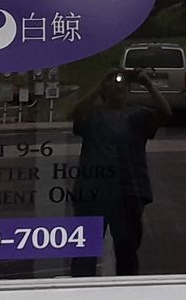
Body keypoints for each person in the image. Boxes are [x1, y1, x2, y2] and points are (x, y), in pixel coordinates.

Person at [68, 68, 169, 277]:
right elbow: (74, 114)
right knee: (84, 254)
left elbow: (165, 113)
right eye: (113, 84)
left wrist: (147, 83)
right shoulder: (93, 115)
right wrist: (99, 86)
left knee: (127, 252)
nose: (119, 86)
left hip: (128, 192)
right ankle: (80, 297)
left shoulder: (138, 115)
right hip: (93, 192)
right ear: (104, 91)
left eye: (123, 84)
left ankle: (126, 297)